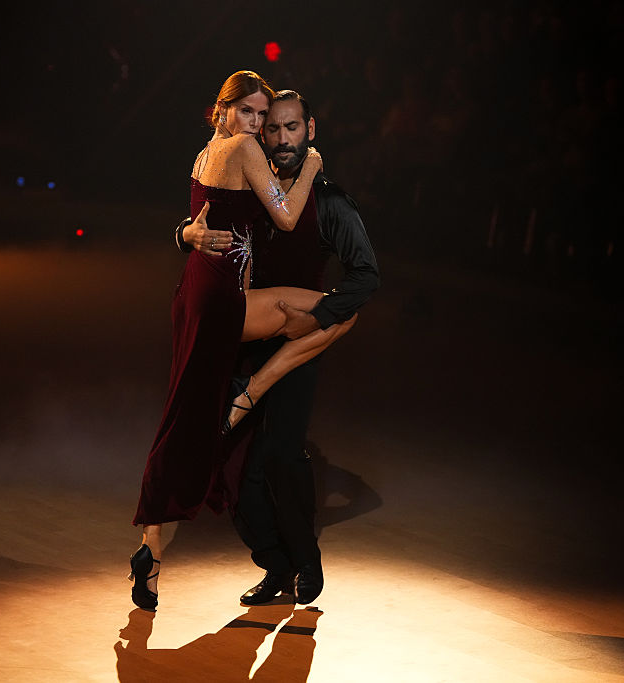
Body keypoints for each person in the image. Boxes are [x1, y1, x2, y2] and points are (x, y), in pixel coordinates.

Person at [129, 72, 356, 612]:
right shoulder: (242, 149)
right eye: (248, 112)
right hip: (223, 299)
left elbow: (200, 219)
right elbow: (286, 211)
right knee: (337, 312)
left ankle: (150, 552)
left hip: (196, 295)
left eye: (262, 115)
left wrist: (185, 234)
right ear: (224, 110)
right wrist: (315, 167)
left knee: (183, 420)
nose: (257, 124)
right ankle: (253, 389)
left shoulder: (205, 153)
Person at [177, 90, 379, 606]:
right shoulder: (250, 185)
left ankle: (305, 562)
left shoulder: (329, 201)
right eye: (275, 129)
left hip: (297, 342)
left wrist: (313, 318)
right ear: (262, 136)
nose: (284, 138)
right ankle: (275, 563)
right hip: (244, 336)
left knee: (282, 456)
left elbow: (366, 276)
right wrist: (187, 235)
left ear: (310, 131)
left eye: (293, 128)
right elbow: (202, 215)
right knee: (229, 463)